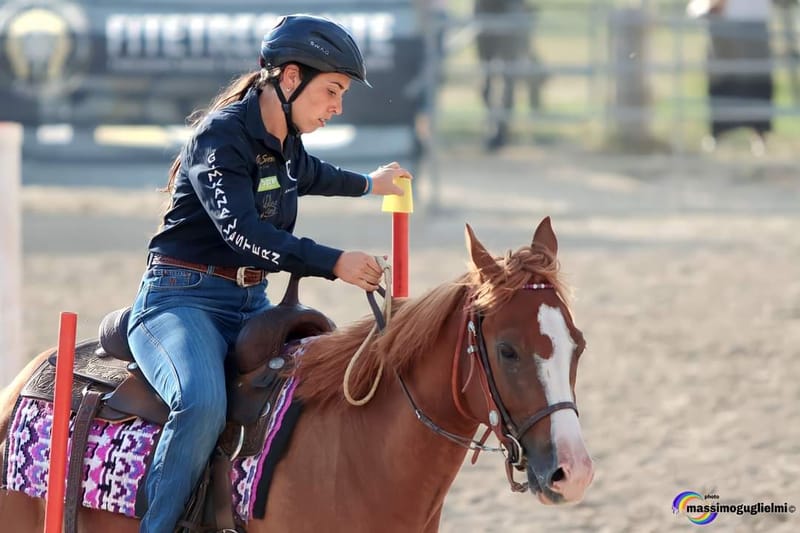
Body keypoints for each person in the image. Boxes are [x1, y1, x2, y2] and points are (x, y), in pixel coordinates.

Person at [126, 14, 412, 532]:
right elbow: (244, 233)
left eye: (341, 93)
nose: (336, 107)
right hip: (179, 300)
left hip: (252, 303)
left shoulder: (286, 141)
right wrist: (334, 262)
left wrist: (371, 184)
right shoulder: (219, 136)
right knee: (202, 403)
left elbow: (311, 175)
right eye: (331, 91)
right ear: (288, 79)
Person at [688, 0, 775, 155]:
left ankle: (759, 134)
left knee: (756, 79)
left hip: (751, 20)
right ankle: (719, 132)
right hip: (726, 21)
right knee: (724, 79)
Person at [474, 0, 546, 151]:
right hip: (486, 12)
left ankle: (502, 130)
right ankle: (494, 126)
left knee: (508, 75)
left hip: (509, 10)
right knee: (488, 77)